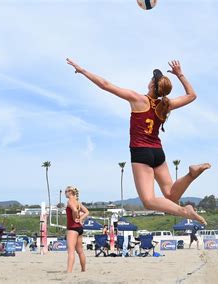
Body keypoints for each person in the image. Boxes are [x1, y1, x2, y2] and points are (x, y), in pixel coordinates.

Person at [66, 58, 210, 225]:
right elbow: (192, 95)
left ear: (151, 85)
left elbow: (105, 85)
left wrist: (83, 70)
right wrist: (180, 74)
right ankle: (191, 175)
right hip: (158, 153)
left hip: (141, 153)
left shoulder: (138, 99)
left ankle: (185, 211)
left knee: (148, 201)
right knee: (171, 195)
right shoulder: (166, 105)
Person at [65, 186, 89, 273]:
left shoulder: (70, 201)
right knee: (80, 251)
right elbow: (87, 211)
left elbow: (74, 210)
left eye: (66, 191)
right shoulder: (78, 202)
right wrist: (81, 219)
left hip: (73, 228)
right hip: (79, 228)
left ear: (70, 192)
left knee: (71, 250)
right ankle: (83, 270)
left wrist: (75, 217)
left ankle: (69, 271)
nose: (65, 193)